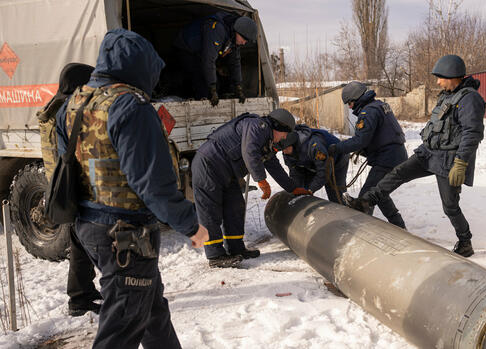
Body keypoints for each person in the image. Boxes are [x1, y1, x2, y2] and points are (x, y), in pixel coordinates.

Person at [56, 28, 209, 348]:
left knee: (152, 310)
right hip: (125, 233)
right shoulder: (131, 107)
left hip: (89, 225)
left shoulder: (75, 102)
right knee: (123, 324)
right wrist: (191, 225)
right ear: (140, 66)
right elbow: (152, 183)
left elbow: (65, 160)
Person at [352, 55, 485, 258]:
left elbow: (472, 133)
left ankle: (465, 241)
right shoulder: (447, 95)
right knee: (398, 173)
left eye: (441, 77)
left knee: (450, 206)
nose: (438, 82)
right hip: (429, 152)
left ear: (452, 75)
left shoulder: (469, 99)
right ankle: (366, 202)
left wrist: (461, 162)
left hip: (449, 159)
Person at [192, 108, 306, 268]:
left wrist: (292, 188)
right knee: (210, 211)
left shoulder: (266, 139)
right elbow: (249, 151)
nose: (285, 138)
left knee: (235, 207)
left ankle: (236, 248)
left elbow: (273, 165)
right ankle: (215, 255)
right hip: (209, 165)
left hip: (227, 172)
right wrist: (261, 180)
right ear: (278, 128)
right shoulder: (256, 126)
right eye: (285, 133)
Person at [38, 63, 103, 317]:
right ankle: (79, 298)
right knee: (82, 240)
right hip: (70, 185)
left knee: (80, 240)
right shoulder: (66, 111)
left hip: (64, 183)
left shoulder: (56, 107)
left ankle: (83, 292)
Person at [328, 81, 407, 229]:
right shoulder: (379, 106)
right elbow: (381, 136)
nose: (350, 107)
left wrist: (337, 148)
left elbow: (360, 141)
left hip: (387, 159)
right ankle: (400, 227)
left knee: (366, 198)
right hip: (395, 156)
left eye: (350, 103)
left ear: (357, 98)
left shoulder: (368, 112)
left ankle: (358, 232)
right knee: (379, 194)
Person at [174, 11, 257, 105]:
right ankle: (198, 110)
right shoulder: (217, 29)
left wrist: (238, 87)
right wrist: (212, 88)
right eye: (244, 39)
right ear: (237, 31)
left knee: (215, 84)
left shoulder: (234, 37)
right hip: (186, 48)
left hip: (201, 53)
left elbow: (235, 62)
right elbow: (208, 60)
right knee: (203, 84)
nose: (244, 43)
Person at [282, 124, 348, 203]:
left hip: (337, 159)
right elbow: (295, 171)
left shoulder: (314, 146)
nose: (283, 151)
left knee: (335, 195)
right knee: (301, 192)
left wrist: (311, 189)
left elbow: (324, 172)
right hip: (312, 163)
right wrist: (296, 189)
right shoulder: (287, 150)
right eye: (282, 149)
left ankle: (345, 211)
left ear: (293, 144)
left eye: (285, 148)